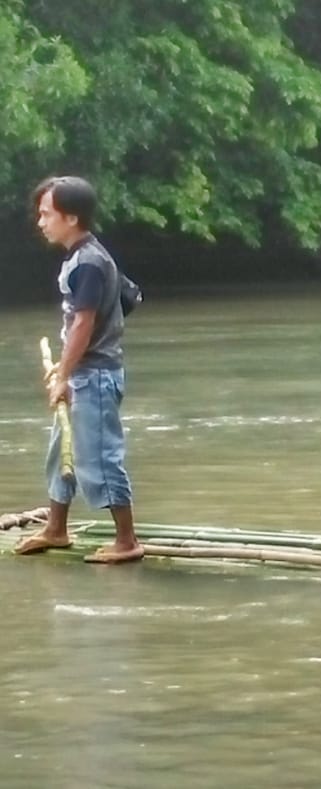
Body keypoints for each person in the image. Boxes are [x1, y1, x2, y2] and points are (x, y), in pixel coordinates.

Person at [15, 176, 143, 563]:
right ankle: (56, 529)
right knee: (61, 453)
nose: (41, 222)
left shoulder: (88, 262)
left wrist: (66, 374)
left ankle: (127, 541)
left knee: (100, 457)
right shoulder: (84, 256)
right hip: (82, 370)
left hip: (95, 375)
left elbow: (85, 323)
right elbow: (120, 301)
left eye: (46, 214)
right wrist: (65, 368)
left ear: (70, 218)